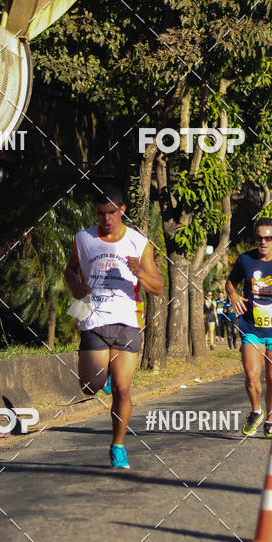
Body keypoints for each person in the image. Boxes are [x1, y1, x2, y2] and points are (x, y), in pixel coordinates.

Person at [64, 184, 163, 469]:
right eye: (99, 214)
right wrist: (74, 286)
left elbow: (157, 287)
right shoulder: (83, 239)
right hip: (93, 318)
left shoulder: (138, 242)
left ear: (122, 211)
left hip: (127, 321)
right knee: (89, 386)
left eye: (111, 212)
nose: (105, 219)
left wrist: (140, 272)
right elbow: (70, 270)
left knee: (122, 389)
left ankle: (118, 446)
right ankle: (101, 378)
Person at [225, 217, 272, 438]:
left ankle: (270, 420)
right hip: (252, 327)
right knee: (252, 375)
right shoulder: (245, 260)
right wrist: (232, 294)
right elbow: (230, 281)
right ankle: (256, 411)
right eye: (259, 238)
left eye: (268, 238)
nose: (263, 242)